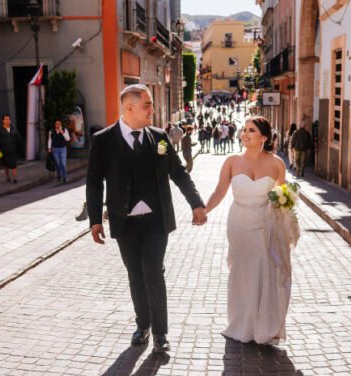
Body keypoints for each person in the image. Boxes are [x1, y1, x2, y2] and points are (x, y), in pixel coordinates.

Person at [86, 84, 207, 354]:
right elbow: (94, 183)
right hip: (124, 221)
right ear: (129, 108)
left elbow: (179, 173)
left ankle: (161, 333)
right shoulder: (103, 140)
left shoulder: (159, 137)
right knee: (135, 275)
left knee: (153, 271)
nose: (152, 109)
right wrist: (95, 220)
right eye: (147, 105)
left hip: (155, 221)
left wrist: (196, 203)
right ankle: (143, 325)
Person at [204, 116, 296, 345]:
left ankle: (264, 326)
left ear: (264, 137)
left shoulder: (277, 164)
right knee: (241, 270)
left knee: (265, 271)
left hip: (265, 225)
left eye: (251, 130)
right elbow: (219, 192)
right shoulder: (232, 162)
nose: (244, 134)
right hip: (239, 224)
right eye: (244, 130)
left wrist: (285, 214)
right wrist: (203, 210)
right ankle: (241, 323)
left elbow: (282, 197)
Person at [0, 114, 21, 183]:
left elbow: (18, 138)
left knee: (13, 164)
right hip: (3, 149)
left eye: (9, 119)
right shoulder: (0, 130)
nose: (8, 120)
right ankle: (7, 177)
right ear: (3, 121)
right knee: (5, 164)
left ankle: (15, 178)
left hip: (12, 149)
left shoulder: (13, 129)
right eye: (6, 119)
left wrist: (18, 146)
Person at [47, 119, 71, 183]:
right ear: (55, 125)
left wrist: (62, 132)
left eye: (59, 124)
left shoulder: (64, 130)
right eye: (56, 124)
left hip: (63, 148)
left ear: (61, 124)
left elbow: (68, 139)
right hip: (55, 149)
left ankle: (65, 177)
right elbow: (50, 140)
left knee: (63, 163)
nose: (58, 125)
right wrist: (49, 148)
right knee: (57, 163)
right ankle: (59, 176)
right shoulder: (51, 131)